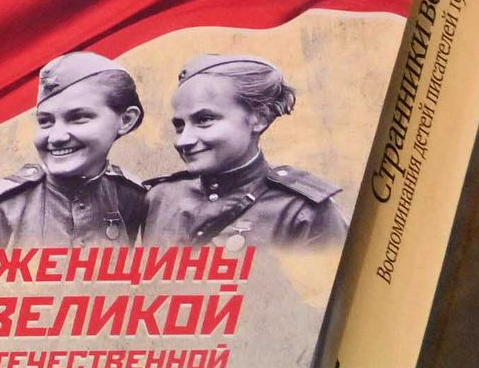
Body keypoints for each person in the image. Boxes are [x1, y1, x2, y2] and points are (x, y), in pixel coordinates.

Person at [0, 53, 152, 248]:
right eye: (45, 121)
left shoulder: (131, 198)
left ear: (126, 120)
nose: (56, 137)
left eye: (78, 117)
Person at [147, 54, 349, 246]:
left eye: (204, 120)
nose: (183, 141)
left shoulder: (303, 212)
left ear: (259, 118)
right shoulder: (160, 198)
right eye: (179, 125)